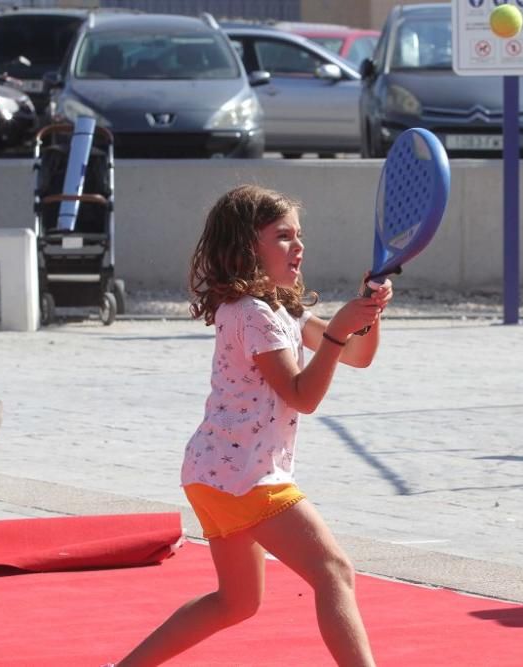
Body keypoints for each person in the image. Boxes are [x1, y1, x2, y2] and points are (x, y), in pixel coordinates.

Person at [112, 184, 391, 666]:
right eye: (283, 236)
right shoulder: (253, 314)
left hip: (213, 474)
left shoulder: (282, 309)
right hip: (246, 477)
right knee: (334, 572)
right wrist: (340, 330)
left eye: (299, 235)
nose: (298, 246)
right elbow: (302, 396)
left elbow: (359, 356)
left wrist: (369, 311)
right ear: (247, 247)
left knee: (236, 601)